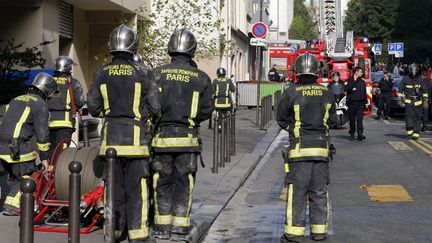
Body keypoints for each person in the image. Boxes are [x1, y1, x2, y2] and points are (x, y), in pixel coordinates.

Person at [87, 24, 161, 243]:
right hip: (136, 142)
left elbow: (93, 108)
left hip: (110, 142)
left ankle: (114, 232)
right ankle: (138, 235)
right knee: (137, 190)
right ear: (133, 46)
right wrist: (139, 115)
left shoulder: (101, 72)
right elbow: (155, 107)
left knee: (113, 190)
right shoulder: (144, 72)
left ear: (112, 45)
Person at [151, 28, 214, 241]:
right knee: (184, 183)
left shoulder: (157, 74)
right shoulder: (202, 78)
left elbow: (149, 106)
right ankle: (181, 226)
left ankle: (161, 227)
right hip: (188, 140)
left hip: (161, 140)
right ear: (192, 50)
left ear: (171, 49)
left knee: (161, 182)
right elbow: (207, 110)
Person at [277, 53, 337, 242]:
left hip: (299, 151)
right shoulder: (326, 93)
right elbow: (334, 121)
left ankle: (294, 234)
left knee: (297, 193)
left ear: (298, 72)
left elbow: (281, 119)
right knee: (319, 193)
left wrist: (295, 131)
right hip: (321, 151)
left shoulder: (291, 92)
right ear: (316, 72)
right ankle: (319, 232)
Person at [0, 73, 58, 216]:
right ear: (46, 90)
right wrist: (45, 158)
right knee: (29, 175)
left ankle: (9, 202)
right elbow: (42, 134)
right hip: (17, 147)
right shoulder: (40, 104)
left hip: (2, 145)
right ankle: (10, 206)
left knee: (12, 176)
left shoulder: (16, 99)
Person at [47, 56, 84, 160]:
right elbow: (80, 102)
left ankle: (49, 172)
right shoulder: (73, 82)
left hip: (47, 122)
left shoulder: (48, 82)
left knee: (50, 152)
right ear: (68, 68)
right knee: (61, 155)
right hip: (65, 123)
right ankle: (57, 174)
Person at [399, 64, 429, 140]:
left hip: (418, 101)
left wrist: (425, 100)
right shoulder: (405, 79)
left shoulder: (420, 79)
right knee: (409, 117)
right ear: (410, 71)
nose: (414, 74)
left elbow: (424, 90)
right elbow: (400, 90)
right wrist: (400, 100)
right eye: (412, 72)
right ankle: (409, 132)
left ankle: (416, 133)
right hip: (409, 101)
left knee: (417, 118)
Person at [346, 67, 367, 141]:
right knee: (351, 119)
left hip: (360, 103)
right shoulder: (349, 80)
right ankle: (352, 133)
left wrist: (366, 103)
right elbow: (347, 89)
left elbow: (364, 93)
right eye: (360, 72)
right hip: (352, 103)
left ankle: (360, 133)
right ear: (356, 72)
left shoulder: (362, 82)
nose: (362, 73)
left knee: (359, 119)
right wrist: (353, 82)